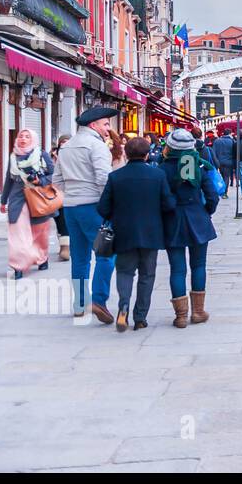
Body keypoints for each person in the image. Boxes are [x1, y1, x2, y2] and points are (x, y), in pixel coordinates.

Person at [97, 137, 176, 332]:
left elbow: (103, 208)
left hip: (124, 232)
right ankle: (140, 317)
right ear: (147, 154)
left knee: (125, 272)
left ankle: (123, 306)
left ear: (126, 154)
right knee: (147, 275)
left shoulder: (115, 177)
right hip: (151, 232)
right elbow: (168, 205)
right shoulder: (157, 176)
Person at [55, 107, 117, 322]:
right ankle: (98, 300)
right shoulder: (96, 145)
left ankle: (80, 303)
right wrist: (107, 206)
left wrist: (72, 193)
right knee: (106, 254)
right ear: (94, 125)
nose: (108, 129)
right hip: (93, 206)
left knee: (79, 257)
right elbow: (103, 178)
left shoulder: (66, 146)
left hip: (71, 207)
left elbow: (57, 180)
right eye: (106, 124)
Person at [161, 129, 220, 327]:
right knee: (198, 265)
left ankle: (180, 316)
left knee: (177, 269)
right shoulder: (200, 167)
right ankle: (198, 311)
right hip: (197, 218)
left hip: (172, 219)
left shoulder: (162, 169)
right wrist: (205, 212)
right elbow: (212, 196)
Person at [0, 129, 55, 279]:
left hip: (38, 198)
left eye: (27, 136)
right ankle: (18, 265)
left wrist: (40, 181)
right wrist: (3, 201)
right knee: (17, 233)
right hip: (17, 199)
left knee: (39, 233)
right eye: (21, 136)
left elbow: (54, 174)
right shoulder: (13, 157)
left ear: (33, 139)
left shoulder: (41, 154)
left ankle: (42, 257)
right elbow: (8, 180)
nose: (23, 139)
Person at [50, 135, 71, 261]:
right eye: (62, 142)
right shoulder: (51, 156)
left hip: (69, 193)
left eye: (67, 142)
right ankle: (63, 245)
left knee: (65, 220)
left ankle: (66, 248)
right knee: (58, 219)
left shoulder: (75, 155)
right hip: (54, 193)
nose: (64, 144)